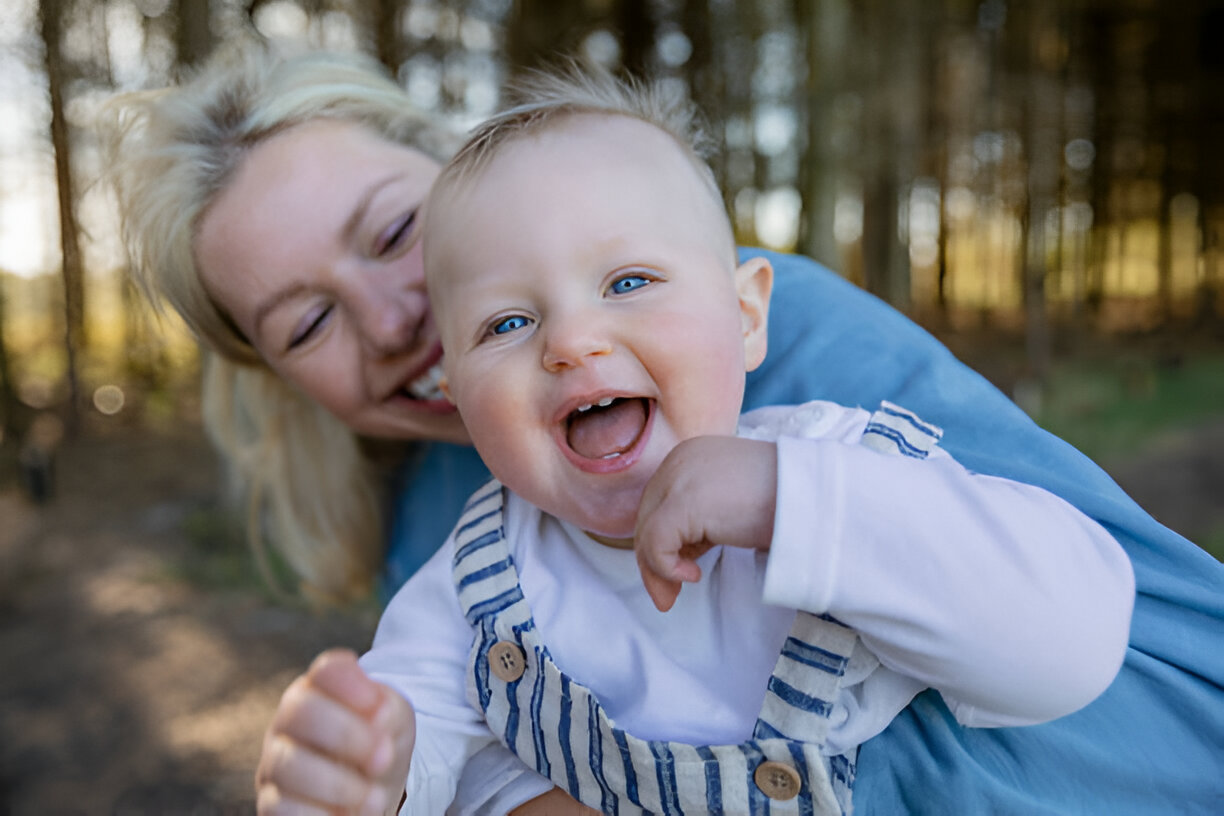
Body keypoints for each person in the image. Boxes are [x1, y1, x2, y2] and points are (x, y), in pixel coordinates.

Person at [97, 44, 1224, 816]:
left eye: (393, 230)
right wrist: (369, 772)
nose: (394, 320)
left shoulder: (807, 414)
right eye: (308, 321)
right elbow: (440, 741)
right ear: (282, 380)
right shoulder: (447, 560)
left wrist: (795, 501)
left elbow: (1081, 636)